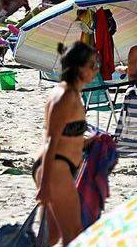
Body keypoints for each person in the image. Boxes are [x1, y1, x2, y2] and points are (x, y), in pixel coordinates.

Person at [35, 42, 97, 245]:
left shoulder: (70, 93)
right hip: (54, 167)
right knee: (74, 233)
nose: (95, 70)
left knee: (51, 236)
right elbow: (52, 140)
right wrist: (44, 185)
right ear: (79, 68)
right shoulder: (65, 96)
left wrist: (88, 142)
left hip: (58, 165)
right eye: (92, 65)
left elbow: (65, 136)